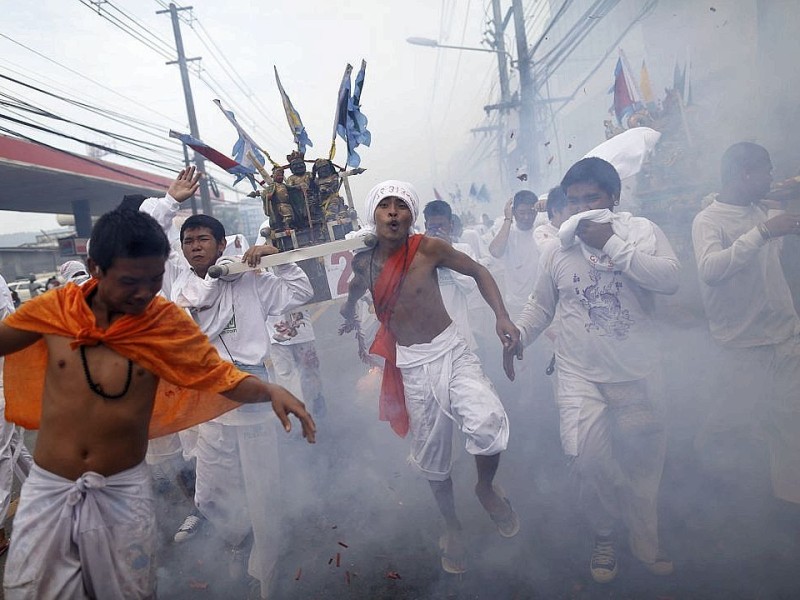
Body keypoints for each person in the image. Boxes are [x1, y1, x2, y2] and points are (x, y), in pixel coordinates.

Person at [0, 200, 315, 599]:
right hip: (60, 487)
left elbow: (218, 370)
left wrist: (269, 390)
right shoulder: (63, 310)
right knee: (35, 590)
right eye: (130, 279)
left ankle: (265, 570)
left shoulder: (188, 308)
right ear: (97, 268)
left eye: (153, 278)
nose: (144, 291)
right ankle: (237, 538)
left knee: (133, 585)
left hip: (141, 477)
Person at [504, 157, 680, 583]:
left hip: (639, 369)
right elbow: (541, 306)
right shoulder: (557, 249)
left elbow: (670, 279)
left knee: (643, 463)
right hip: (578, 373)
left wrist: (612, 244)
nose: (582, 209)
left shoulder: (641, 233)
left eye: (593, 198)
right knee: (586, 461)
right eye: (575, 200)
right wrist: (518, 336)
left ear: (613, 198)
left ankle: (645, 542)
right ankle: (604, 533)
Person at [141, 169, 315, 598]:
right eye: (189, 241)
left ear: (222, 245)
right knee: (213, 495)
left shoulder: (248, 277)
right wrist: (170, 200)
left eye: (203, 240)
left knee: (262, 494)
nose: (195, 246)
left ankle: (268, 575)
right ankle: (237, 540)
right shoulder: (176, 286)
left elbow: (300, 292)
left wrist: (277, 259)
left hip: (252, 395)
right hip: (204, 403)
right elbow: (144, 239)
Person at [340, 180, 520, 575]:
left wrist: (502, 316)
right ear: (374, 215)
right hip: (411, 366)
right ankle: (451, 527)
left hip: (452, 352)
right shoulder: (364, 261)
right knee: (434, 464)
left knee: (488, 427)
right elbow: (356, 288)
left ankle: (485, 488)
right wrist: (347, 312)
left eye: (400, 206)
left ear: (410, 215)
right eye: (384, 206)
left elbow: (477, 269)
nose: (392, 213)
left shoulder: (428, 248)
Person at [692, 142, 800, 505]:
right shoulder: (708, 220)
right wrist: (764, 232)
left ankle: (789, 501)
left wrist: (781, 215)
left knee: (790, 418)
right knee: (733, 420)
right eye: (766, 170)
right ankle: (705, 475)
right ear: (745, 174)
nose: (772, 176)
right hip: (742, 341)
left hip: (784, 333)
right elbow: (711, 270)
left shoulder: (761, 210)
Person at [0, 274, 33, 556]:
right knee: (12, 447)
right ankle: (52, 496)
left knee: (1, 454)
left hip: (2, 381)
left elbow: (8, 326)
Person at [423, 200, 479, 350]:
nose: (437, 232)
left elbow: (469, 286)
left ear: (451, 226)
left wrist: (449, 254)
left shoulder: (464, 250)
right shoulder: (417, 257)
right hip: (431, 342)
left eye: (441, 226)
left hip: (461, 337)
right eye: (433, 227)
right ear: (425, 227)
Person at [488, 190, 541, 318]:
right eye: (522, 212)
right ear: (514, 211)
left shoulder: (542, 231)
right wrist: (508, 219)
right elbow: (495, 251)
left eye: (531, 212)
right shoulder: (508, 233)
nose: (527, 217)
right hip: (516, 304)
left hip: (541, 303)